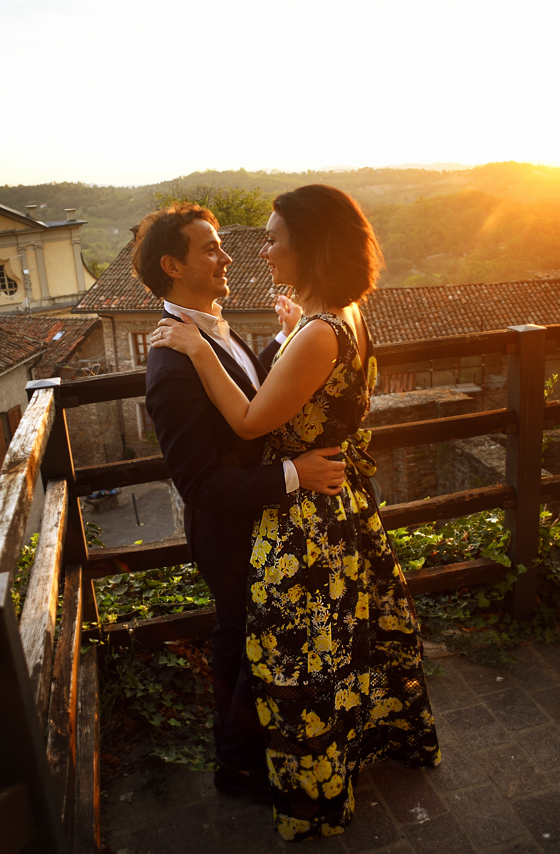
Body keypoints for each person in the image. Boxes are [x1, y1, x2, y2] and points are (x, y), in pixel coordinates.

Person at [151, 185, 441, 841]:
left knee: (303, 657)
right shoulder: (344, 315)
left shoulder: (318, 332)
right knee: (339, 641)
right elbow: (309, 394)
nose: (261, 248)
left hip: (306, 519)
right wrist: (287, 335)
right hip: (338, 506)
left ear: (309, 246)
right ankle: (330, 752)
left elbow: (256, 417)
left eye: (275, 236)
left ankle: (308, 779)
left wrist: (201, 348)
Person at [134, 204, 348, 800]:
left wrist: (284, 337)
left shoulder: (212, 329)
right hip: (229, 534)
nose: (226, 258)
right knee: (241, 645)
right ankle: (237, 766)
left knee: (250, 641)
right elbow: (198, 485)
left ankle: (247, 757)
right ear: (173, 266)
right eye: (210, 249)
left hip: (258, 525)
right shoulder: (171, 362)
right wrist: (293, 475)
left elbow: (249, 391)